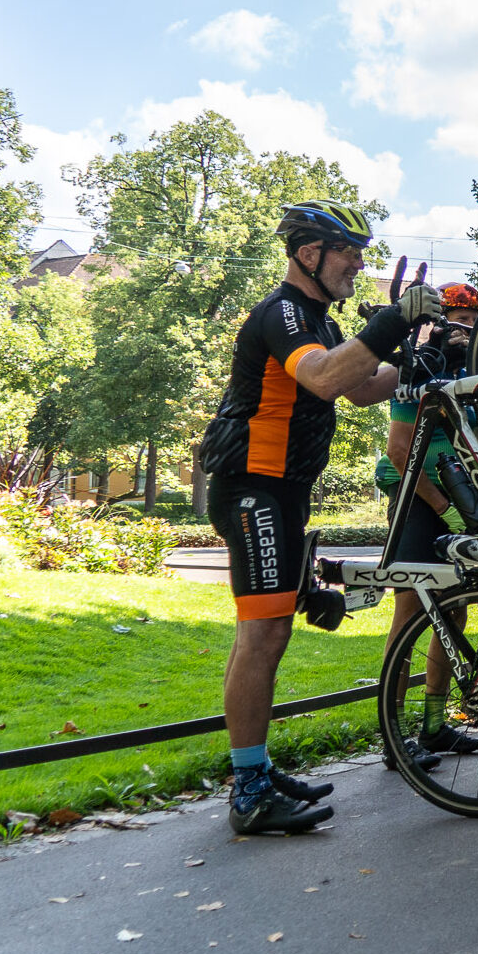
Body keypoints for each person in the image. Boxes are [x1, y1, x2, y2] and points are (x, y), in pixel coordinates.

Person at [200, 199, 440, 835]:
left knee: (267, 632)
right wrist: (392, 320)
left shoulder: (317, 320)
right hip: (253, 486)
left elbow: (362, 385)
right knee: (264, 633)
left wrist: (419, 364)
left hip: (281, 490)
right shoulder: (282, 312)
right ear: (309, 254)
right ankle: (249, 789)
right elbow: (329, 379)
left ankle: (252, 767)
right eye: (347, 252)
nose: (358, 264)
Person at [372, 281, 478, 769]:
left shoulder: (473, 371)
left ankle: (435, 725)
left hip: (460, 494)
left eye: (470, 322)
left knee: (456, 612)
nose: (462, 330)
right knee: (409, 617)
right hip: (418, 496)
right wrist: (443, 508)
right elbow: (400, 451)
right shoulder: (417, 366)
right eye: (454, 320)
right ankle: (393, 736)